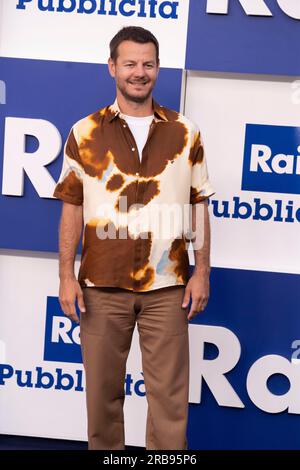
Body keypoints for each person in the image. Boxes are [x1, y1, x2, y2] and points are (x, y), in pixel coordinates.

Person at [53, 26, 214, 450]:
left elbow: (199, 204)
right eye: (130, 64)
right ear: (112, 68)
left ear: (158, 68)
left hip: (169, 288)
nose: (139, 72)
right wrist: (66, 277)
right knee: (103, 403)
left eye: (147, 63)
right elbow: (72, 207)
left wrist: (202, 273)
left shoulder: (186, 132)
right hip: (101, 285)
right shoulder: (84, 133)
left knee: (169, 404)